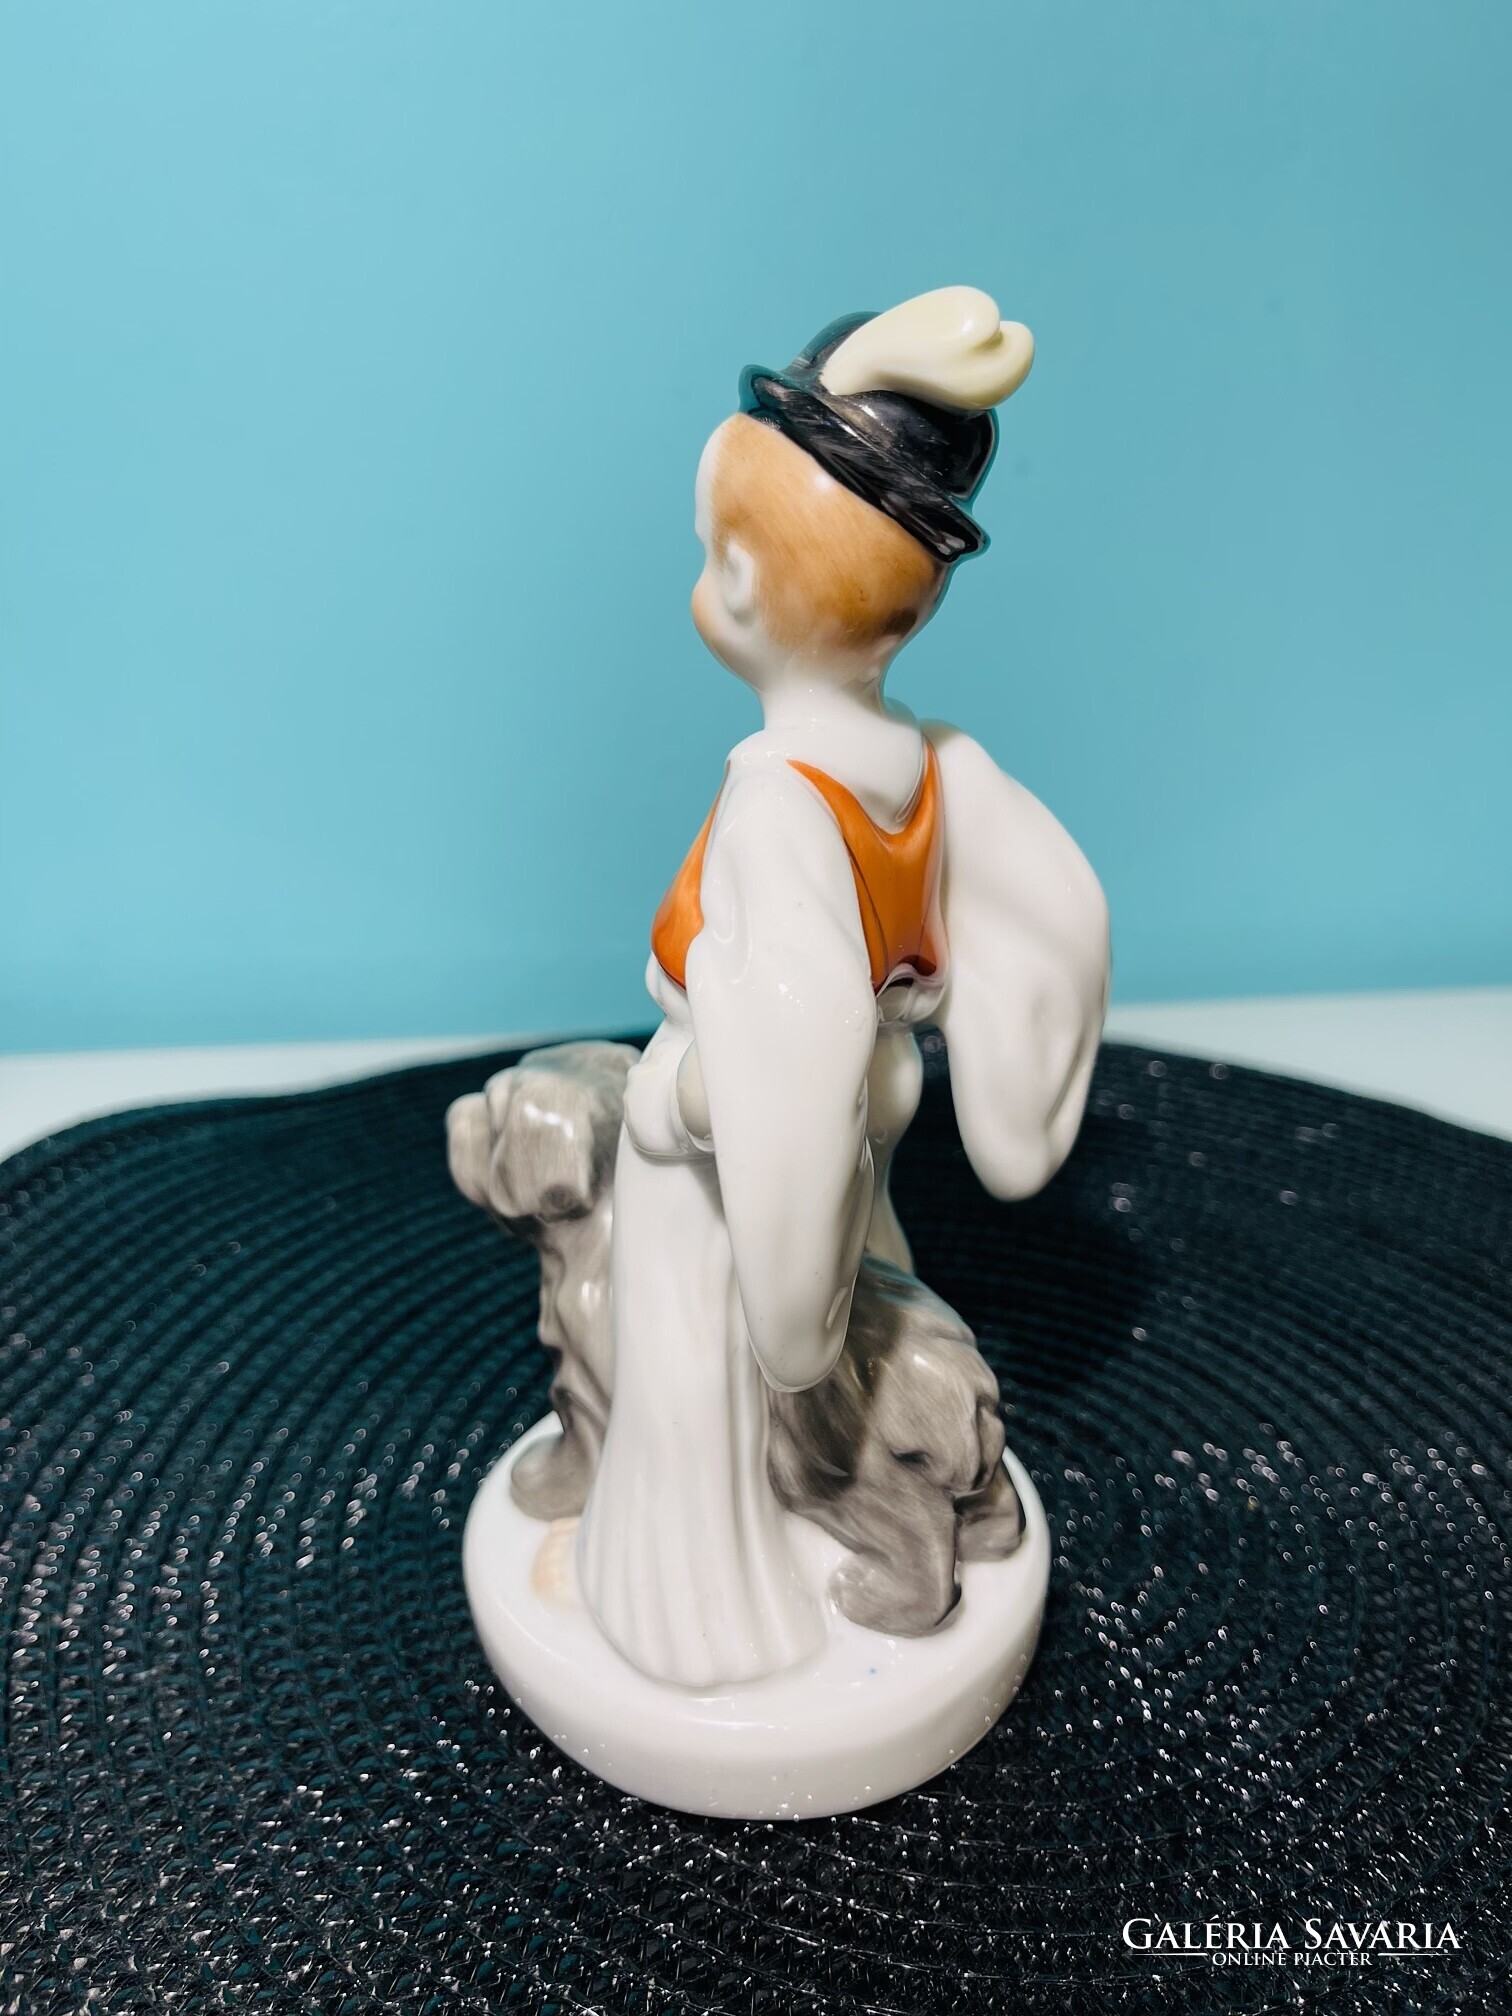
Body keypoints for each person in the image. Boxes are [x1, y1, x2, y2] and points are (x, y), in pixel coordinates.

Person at [575, 288, 1110, 1690]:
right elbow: (1041, 926)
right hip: (850, 1121)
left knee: (706, 1370)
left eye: (712, 554)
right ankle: (845, 1475)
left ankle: (693, 1605)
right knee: (853, 1305)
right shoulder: (931, 766)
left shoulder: (776, 801)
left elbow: (784, 1032)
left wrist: (677, 1110)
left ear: (746, 587)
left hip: (740, 1155)